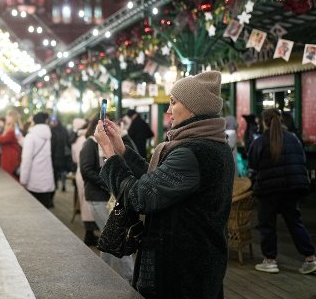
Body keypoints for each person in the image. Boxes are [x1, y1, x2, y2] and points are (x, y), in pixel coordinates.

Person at [95, 70, 234, 298]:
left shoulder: (192, 152)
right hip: (198, 262)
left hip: (181, 270)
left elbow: (139, 197)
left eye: (173, 102)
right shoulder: (213, 145)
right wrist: (121, 149)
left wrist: (109, 156)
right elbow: (156, 180)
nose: (168, 111)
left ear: (193, 107)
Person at [248, 109, 316, 275]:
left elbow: (252, 164)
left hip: (268, 190)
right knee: (295, 222)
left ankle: (270, 261)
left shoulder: (260, 142)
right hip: (292, 188)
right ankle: (310, 259)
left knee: (267, 225)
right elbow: (302, 161)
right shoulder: (294, 139)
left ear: (264, 122)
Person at [80, 115, 136, 282]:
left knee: (109, 240)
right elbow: (86, 170)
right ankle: (130, 279)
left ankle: (103, 277)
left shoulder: (114, 142)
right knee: (116, 236)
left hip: (114, 198)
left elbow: (134, 154)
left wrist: (123, 134)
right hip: (98, 197)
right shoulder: (90, 144)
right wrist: (109, 182)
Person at [19, 112, 55, 208]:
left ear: (34, 122)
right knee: (45, 208)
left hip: (34, 179)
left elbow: (26, 160)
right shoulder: (47, 135)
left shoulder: (31, 136)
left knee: (34, 209)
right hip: (46, 178)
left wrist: (23, 179)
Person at [71, 118, 97, 246]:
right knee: (88, 205)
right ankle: (90, 235)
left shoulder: (77, 139)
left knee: (84, 204)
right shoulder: (88, 141)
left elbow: (74, 158)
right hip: (85, 174)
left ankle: (89, 234)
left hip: (79, 172)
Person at [50, 115, 72, 192]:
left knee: (56, 171)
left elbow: (52, 145)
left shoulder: (52, 130)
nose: (52, 123)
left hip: (56, 155)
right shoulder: (64, 130)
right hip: (63, 155)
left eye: (54, 122)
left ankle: (56, 186)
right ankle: (63, 184)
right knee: (63, 171)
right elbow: (68, 142)